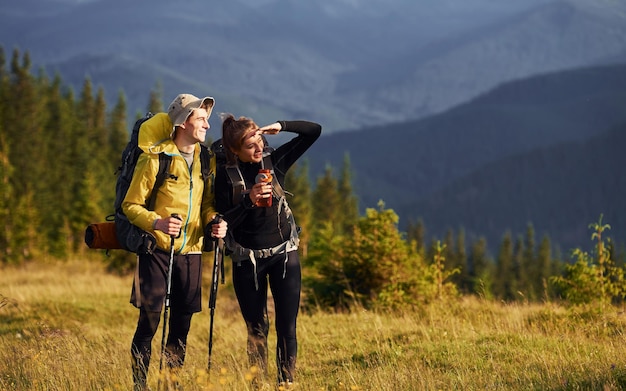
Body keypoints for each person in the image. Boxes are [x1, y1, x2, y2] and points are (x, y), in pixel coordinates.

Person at [123, 93, 228, 390]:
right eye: (201, 118)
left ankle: (171, 385)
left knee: (181, 328)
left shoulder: (206, 160)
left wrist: (214, 222)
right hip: (156, 251)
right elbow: (131, 206)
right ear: (183, 123)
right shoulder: (155, 158)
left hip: (192, 253)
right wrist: (156, 222)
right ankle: (139, 386)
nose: (207, 124)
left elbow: (207, 204)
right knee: (150, 323)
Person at [215, 114, 321, 387]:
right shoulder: (226, 176)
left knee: (287, 327)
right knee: (257, 329)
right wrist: (249, 200)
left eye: (259, 140)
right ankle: (257, 384)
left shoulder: (275, 162)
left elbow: (314, 132)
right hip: (246, 259)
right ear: (235, 151)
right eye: (250, 145)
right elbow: (224, 219)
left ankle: (286, 382)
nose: (259, 147)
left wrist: (281, 127)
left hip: (284, 254)